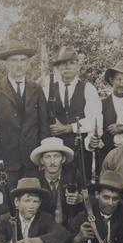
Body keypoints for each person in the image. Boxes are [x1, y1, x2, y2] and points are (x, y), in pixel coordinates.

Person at [0, 40, 50, 189]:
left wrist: (44, 155)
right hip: (5, 160)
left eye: (23, 60)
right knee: (7, 202)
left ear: (28, 63)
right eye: (14, 60)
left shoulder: (36, 89)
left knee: (31, 197)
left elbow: (44, 125)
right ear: (6, 64)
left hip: (32, 159)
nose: (19, 64)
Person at [44, 46, 103, 179]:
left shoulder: (88, 88)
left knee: (81, 185)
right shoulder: (47, 89)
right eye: (63, 64)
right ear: (58, 67)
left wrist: (68, 128)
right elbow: (42, 116)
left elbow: (94, 120)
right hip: (55, 150)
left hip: (80, 149)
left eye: (71, 63)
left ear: (77, 66)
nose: (67, 67)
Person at [30, 137, 83, 227]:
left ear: (63, 159)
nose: (52, 162)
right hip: (43, 229)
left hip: (69, 227)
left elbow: (91, 198)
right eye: (47, 157)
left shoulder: (73, 175)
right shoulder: (35, 180)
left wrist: (79, 198)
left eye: (56, 156)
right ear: (42, 161)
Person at [93, 60, 123, 158]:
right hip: (107, 155)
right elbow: (95, 131)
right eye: (118, 79)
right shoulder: (101, 104)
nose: (121, 83)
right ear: (112, 80)